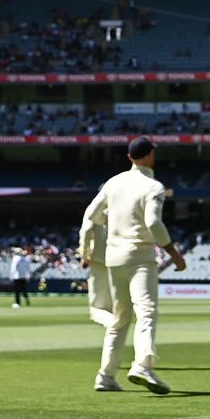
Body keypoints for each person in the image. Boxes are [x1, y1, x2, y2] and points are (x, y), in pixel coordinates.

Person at [79, 137, 187, 394]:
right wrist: (172, 252)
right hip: (140, 257)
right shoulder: (154, 186)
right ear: (150, 156)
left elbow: (91, 215)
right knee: (146, 311)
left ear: (129, 157)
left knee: (120, 318)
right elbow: (153, 223)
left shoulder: (113, 183)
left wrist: (92, 244)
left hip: (113, 258)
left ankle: (105, 377)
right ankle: (143, 365)